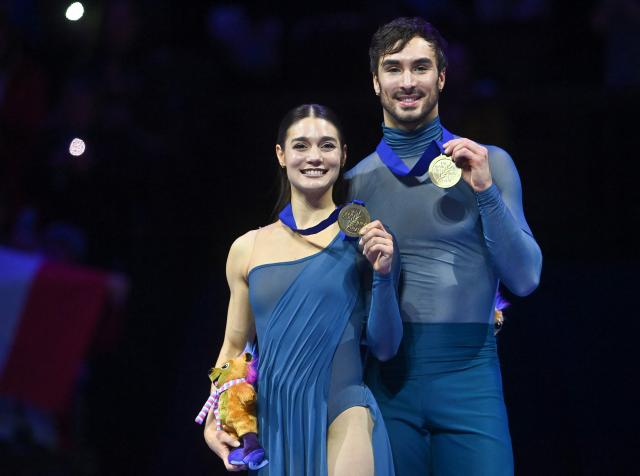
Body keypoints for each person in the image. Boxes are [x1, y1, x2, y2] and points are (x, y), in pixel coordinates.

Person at [344, 17, 543, 476]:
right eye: (394, 69)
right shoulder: (353, 184)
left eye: (421, 67)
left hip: (470, 380)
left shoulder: (489, 163)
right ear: (376, 81)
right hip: (388, 387)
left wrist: (486, 192)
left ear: (442, 77)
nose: (408, 82)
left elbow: (526, 279)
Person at [204, 103, 403, 475]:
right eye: (301, 146)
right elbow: (234, 348)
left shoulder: (368, 239)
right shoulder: (247, 249)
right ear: (281, 155)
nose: (314, 156)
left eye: (327, 146)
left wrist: (385, 275)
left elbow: (386, 347)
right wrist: (218, 417)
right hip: (275, 424)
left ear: (343, 156)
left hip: (345, 410)